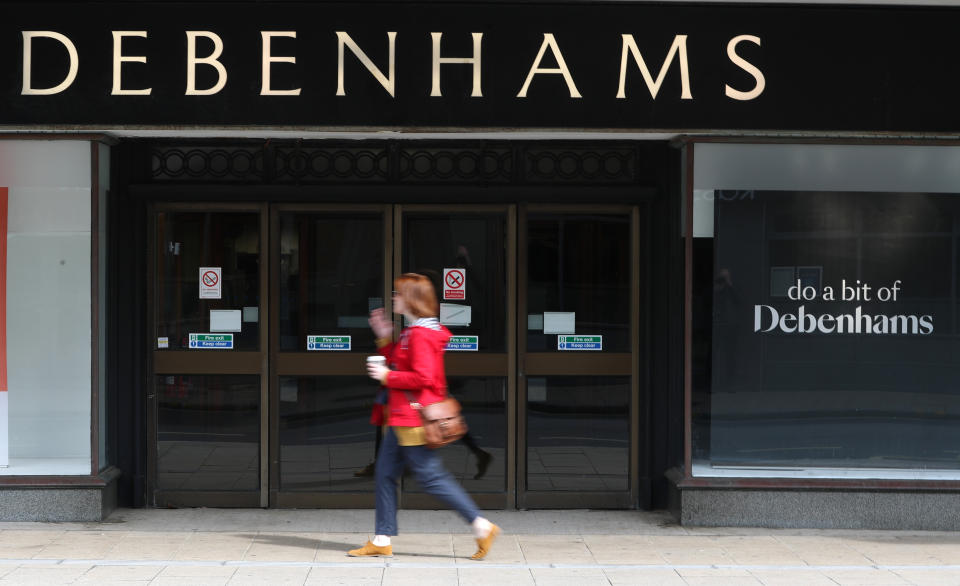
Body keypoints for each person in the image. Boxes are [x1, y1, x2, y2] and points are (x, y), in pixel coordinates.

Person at [348, 273, 500, 560]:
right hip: (401, 416)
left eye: (397, 293)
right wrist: (384, 338)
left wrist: (387, 376)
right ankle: (382, 539)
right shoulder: (412, 331)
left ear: (411, 299)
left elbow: (423, 377)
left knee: (431, 478)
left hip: (413, 418)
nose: (393, 297)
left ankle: (481, 525)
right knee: (384, 474)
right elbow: (400, 359)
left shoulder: (421, 334)